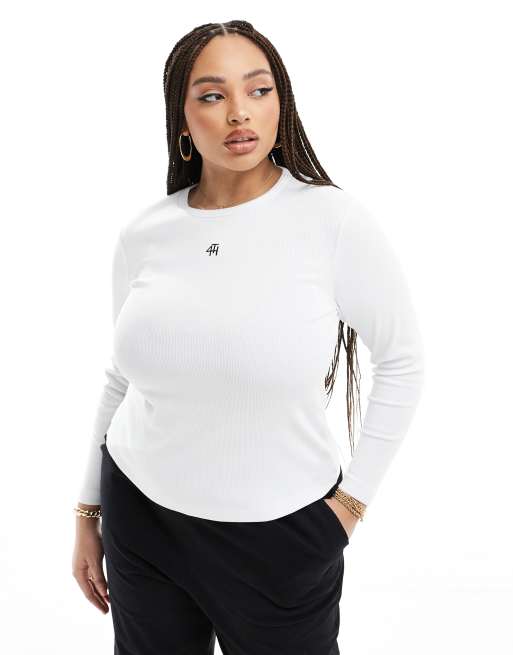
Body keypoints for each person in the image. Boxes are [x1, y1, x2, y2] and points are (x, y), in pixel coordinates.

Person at [72, 20, 425, 655]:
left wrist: (349, 509)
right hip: (141, 517)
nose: (239, 112)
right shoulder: (145, 234)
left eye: (258, 90)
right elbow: (122, 376)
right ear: (182, 119)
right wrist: (88, 511)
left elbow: (402, 361)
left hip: (280, 538)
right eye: (212, 95)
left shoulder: (332, 221)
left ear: (280, 102)